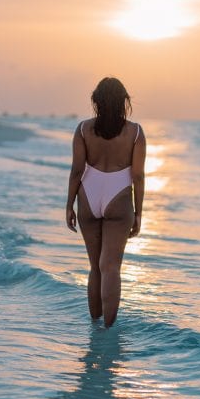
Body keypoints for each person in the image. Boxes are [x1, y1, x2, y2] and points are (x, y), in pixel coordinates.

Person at [66, 77, 145, 327]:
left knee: (95, 267)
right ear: (124, 101)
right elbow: (138, 175)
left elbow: (77, 170)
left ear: (97, 101)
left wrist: (69, 205)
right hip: (119, 196)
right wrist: (139, 213)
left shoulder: (83, 129)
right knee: (110, 267)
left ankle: (95, 330)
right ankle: (109, 332)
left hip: (88, 194)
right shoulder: (135, 132)